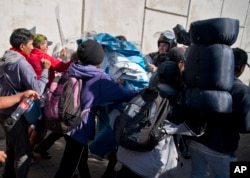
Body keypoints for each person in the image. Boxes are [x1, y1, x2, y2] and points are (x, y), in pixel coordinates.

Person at [54, 39, 138, 178]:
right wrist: (141, 93)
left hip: (67, 120)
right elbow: (123, 94)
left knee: (78, 158)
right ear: (98, 58)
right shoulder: (99, 77)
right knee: (68, 168)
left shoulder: (74, 67)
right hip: (79, 127)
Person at [188, 47, 250, 178]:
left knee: (198, 174)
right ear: (241, 68)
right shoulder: (242, 91)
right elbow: (245, 127)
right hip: (221, 149)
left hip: (196, 142)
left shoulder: (203, 81)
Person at [116, 61, 182, 178]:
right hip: (149, 164)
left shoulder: (145, 93)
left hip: (125, 153)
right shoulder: (175, 103)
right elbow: (196, 130)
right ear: (177, 78)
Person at [0, 28, 51, 178]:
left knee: (11, 147)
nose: (32, 47)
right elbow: (38, 90)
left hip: (4, 111)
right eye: (30, 44)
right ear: (22, 46)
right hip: (16, 114)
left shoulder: (5, 58)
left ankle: (7, 175)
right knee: (23, 153)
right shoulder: (21, 63)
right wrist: (45, 70)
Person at [26, 33, 72, 158]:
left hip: (29, 94)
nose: (47, 47)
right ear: (41, 45)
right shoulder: (43, 56)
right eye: (46, 45)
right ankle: (29, 152)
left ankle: (26, 149)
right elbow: (61, 67)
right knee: (41, 125)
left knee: (32, 122)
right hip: (43, 95)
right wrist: (73, 58)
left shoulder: (28, 55)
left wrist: (60, 58)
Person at [0, 90, 40, 163]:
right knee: (20, 152)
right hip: (12, 114)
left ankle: (8, 172)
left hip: (13, 113)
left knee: (12, 145)